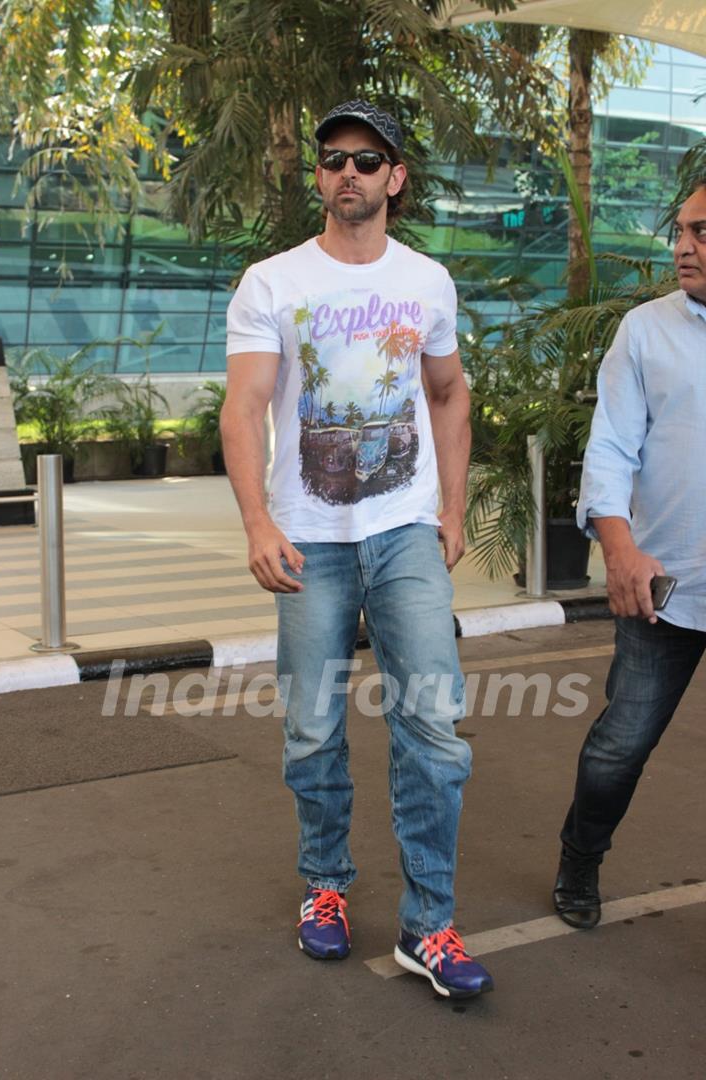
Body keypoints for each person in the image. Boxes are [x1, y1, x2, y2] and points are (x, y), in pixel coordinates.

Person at [221, 100, 493, 999]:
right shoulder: (272, 281)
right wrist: (260, 521)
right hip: (310, 539)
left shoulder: (428, 282)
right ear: (321, 177)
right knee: (312, 729)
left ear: (395, 177)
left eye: (367, 160)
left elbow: (449, 395)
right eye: (334, 159)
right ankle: (326, 888)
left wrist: (451, 510)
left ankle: (430, 925)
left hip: (406, 529)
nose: (348, 173)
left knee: (434, 728)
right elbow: (246, 406)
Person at [553, 177, 706, 930]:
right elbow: (609, 447)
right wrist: (619, 551)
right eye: (680, 231)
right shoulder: (646, 331)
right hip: (664, 587)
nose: (683, 246)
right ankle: (581, 854)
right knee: (621, 744)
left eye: (701, 231)